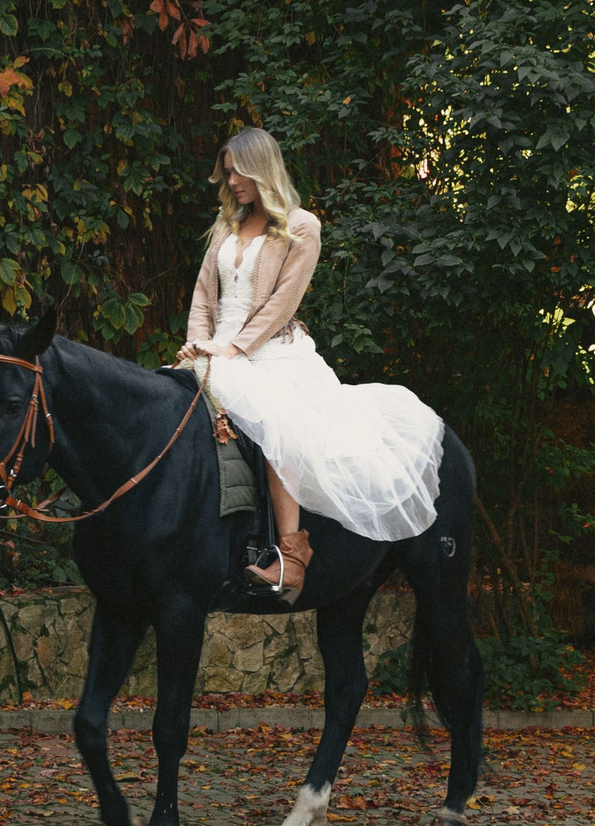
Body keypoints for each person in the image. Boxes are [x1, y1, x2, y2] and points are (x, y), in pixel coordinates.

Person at [180, 127, 445, 601]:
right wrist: (199, 344)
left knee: (275, 423)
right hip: (216, 351)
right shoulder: (226, 227)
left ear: (262, 167)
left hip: (271, 353)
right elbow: (203, 295)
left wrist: (235, 349)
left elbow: (283, 302)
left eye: (239, 170)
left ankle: (291, 557)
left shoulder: (302, 227)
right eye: (227, 173)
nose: (233, 181)